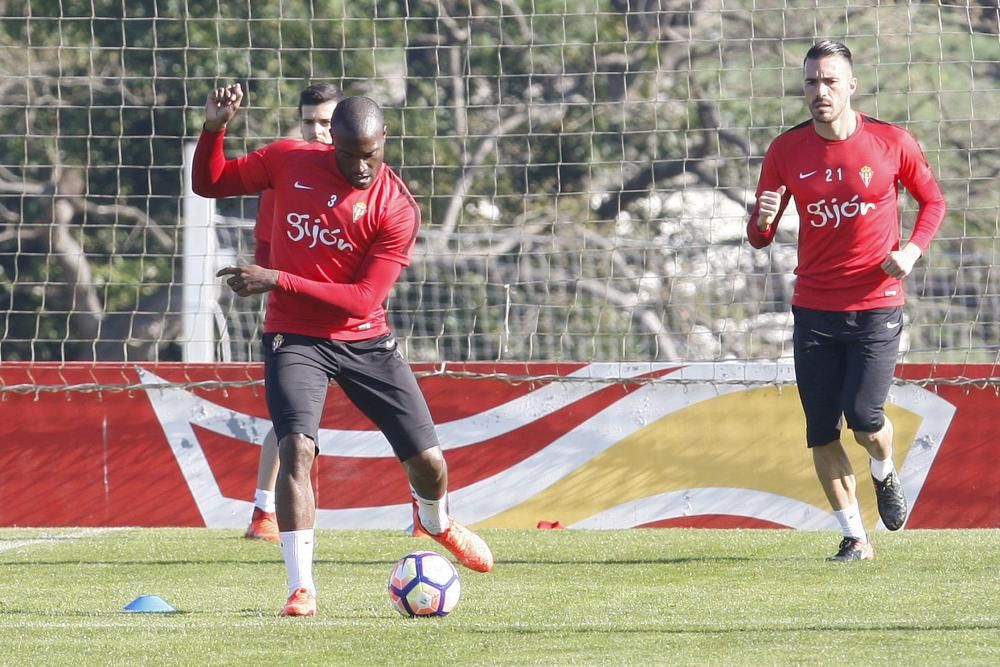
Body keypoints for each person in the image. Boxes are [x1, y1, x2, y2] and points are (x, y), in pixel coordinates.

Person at [193, 84, 494, 617]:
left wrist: (276, 278)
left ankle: (435, 521)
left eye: (370, 155)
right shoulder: (289, 161)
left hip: (364, 339)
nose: (360, 167)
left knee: (429, 462)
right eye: (350, 155)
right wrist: (215, 127)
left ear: (384, 142)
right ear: (332, 142)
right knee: (298, 450)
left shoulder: (396, 208)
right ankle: (301, 587)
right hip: (295, 336)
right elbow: (209, 182)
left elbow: (361, 300)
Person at [747, 40, 946, 562]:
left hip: (877, 302)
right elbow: (759, 237)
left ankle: (884, 470)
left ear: (851, 86)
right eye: (811, 82)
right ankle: (856, 537)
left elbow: (933, 201)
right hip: (813, 308)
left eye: (830, 81)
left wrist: (911, 252)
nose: (820, 92)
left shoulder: (889, 141)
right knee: (820, 430)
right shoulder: (785, 151)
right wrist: (763, 220)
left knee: (864, 417)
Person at [244, 82, 343, 545]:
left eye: (326, 122)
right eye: (309, 122)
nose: (317, 132)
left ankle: (426, 508)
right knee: (292, 426)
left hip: (352, 318)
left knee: (397, 414)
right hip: (297, 319)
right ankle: (264, 512)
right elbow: (265, 249)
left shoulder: (366, 176)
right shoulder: (284, 177)